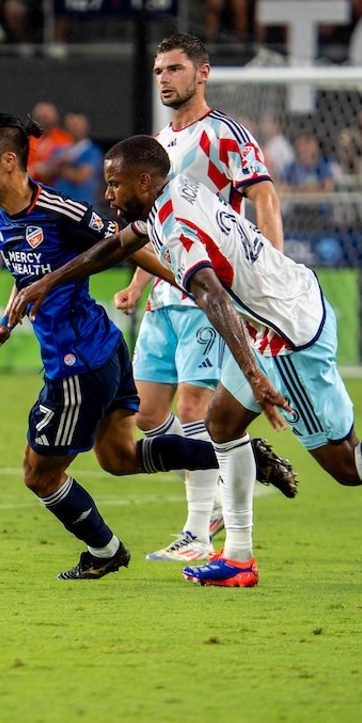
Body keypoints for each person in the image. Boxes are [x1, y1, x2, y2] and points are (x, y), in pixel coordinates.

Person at [9, 134, 362, 588]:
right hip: (283, 310)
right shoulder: (174, 194)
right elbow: (119, 245)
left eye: (115, 183)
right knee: (220, 422)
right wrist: (46, 284)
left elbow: (212, 297)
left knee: (348, 465)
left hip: (288, 336)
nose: (107, 192)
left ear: (144, 184)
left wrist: (255, 375)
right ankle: (238, 559)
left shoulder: (176, 225)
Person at [0, 113, 298, 582]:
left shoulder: (61, 210)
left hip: (78, 362)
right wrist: (6, 321)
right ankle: (242, 455)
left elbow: (131, 245)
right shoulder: (1, 213)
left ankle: (105, 551)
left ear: (7, 161)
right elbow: (28, 278)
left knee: (38, 474)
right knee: (118, 457)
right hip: (100, 350)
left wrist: (189, 286)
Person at [117, 32, 285, 564]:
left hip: (210, 294)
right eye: (159, 71)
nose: (164, 79)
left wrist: (270, 277)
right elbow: (153, 226)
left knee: (194, 407)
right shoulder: (157, 146)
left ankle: (197, 530)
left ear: (202, 73)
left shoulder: (227, 135)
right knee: (146, 415)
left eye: (174, 69)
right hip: (165, 296)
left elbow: (265, 198)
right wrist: (138, 284)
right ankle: (227, 472)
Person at [51, 111, 104, 206]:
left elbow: (81, 176)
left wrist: (60, 168)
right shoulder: (59, 149)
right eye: (71, 124)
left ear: (86, 126)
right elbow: (46, 174)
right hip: (60, 206)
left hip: (83, 205)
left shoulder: (93, 151)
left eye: (78, 124)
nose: (75, 128)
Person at [25, 101, 73, 186]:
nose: (44, 120)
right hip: (27, 184)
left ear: (55, 118)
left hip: (54, 188)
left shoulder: (64, 139)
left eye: (47, 117)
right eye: (41, 117)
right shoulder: (26, 138)